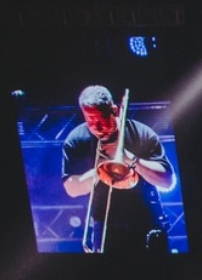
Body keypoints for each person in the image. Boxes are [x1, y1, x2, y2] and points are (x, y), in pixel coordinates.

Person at [61, 85, 176, 254]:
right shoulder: (76, 139)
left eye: (101, 120)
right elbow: (71, 189)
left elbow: (167, 181)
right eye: (90, 121)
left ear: (114, 110)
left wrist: (130, 158)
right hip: (103, 224)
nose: (97, 128)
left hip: (146, 221)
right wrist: (102, 168)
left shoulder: (141, 133)